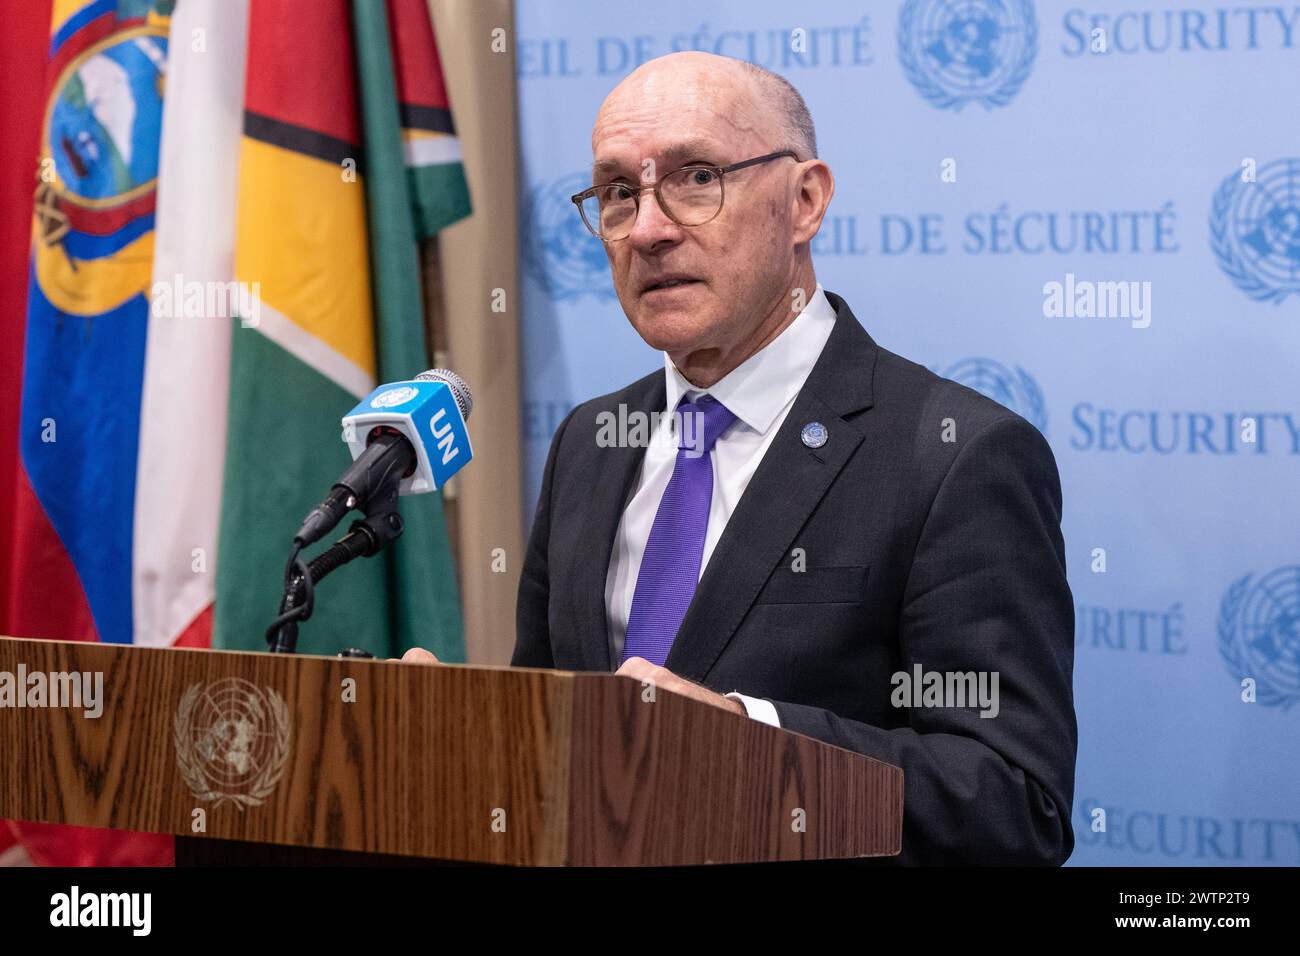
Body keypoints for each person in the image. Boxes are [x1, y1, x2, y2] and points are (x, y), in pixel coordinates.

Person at [404, 51, 1077, 866]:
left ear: (805, 201)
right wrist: (463, 736)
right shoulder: (591, 439)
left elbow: (1013, 804)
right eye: (619, 193)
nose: (648, 229)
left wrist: (752, 741)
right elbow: (556, 739)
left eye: (695, 179)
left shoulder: (954, 457)